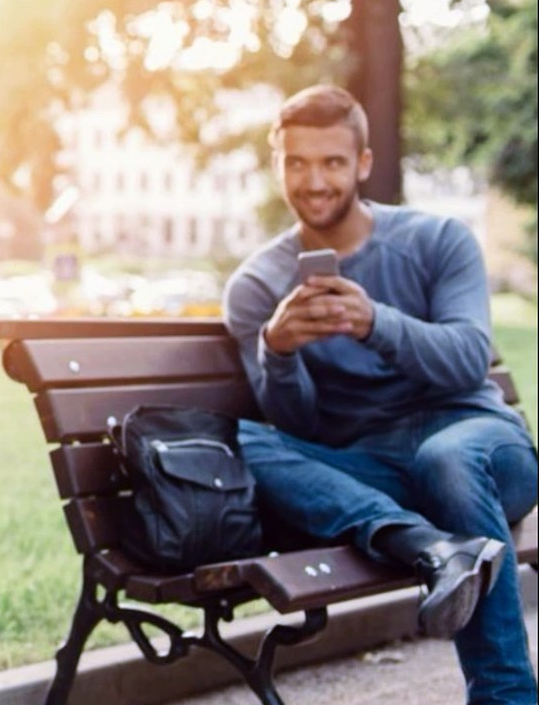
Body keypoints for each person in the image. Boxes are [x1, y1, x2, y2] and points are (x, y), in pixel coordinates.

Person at [223, 84, 538, 703]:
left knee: (444, 460)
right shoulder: (258, 285)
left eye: (333, 162)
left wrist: (375, 322)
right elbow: (301, 428)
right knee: (239, 439)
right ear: (278, 164)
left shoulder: (437, 240)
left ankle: (506, 695)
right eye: (297, 162)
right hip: (370, 468)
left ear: (363, 164)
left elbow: (468, 359)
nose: (314, 181)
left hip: (477, 442)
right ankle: (433, 548)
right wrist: (278, 352)